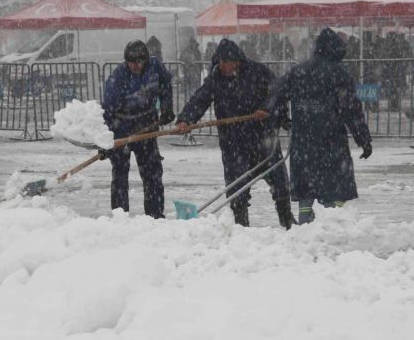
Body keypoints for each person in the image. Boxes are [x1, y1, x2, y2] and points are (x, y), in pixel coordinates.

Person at [175, 39, 294, 229]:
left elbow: (279, 95)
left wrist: (267, 109)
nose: (221, 66)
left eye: (224, 62)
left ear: (236, 61)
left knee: (279, 183)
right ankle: (240, 227)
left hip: (262, 138)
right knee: (236, 189)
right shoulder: (216, 79)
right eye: (218, 62)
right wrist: (186, 119)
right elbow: (200, 98)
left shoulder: (258, 72)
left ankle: (287, 220)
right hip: (233, 142)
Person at [267, 28, 372, 225]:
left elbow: (276, 95)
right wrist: (363, 138)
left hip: (303, 141)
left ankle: (305, 221)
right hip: (331, 141)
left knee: (305, 186)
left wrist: (281, 118)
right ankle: (332, 222)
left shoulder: (298, 71)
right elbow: (352, 110)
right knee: (335, 186)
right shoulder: (339, 73)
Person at [102, 40, 174, 219]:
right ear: (126, 62)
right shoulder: (118, 78)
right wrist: (104, 141)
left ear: (146, 60)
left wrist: (166, 108)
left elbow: (166, 85)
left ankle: (155, 215)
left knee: (152, 174)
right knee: (120, 175)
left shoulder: (155, 67)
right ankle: (120, 217)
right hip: (122, 128)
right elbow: (108, 111)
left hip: (146, 126)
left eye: (139, 62)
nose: (136, 66)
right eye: (132, 62)